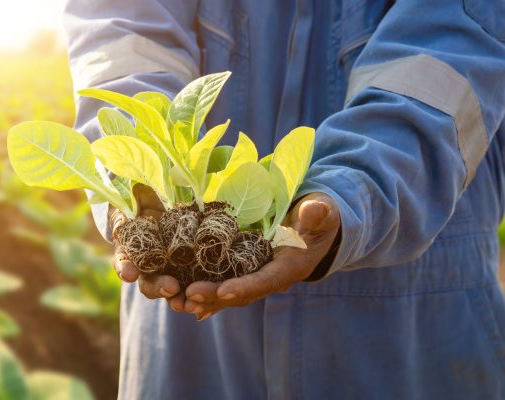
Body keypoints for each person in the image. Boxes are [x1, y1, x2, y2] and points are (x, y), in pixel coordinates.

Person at [63, 1, 505, 398]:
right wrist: (139, 175)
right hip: (188, 342)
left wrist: (352, 193)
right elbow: (123, 30)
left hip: (418, 307)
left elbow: (448, 52)